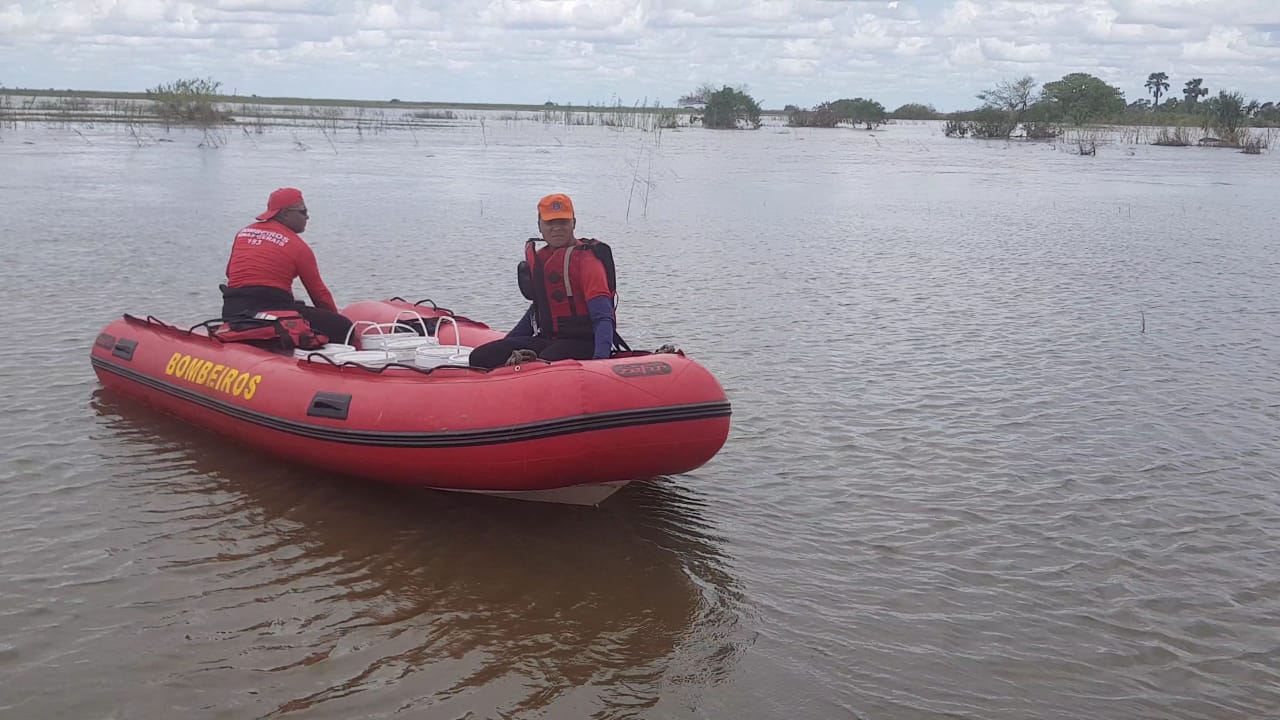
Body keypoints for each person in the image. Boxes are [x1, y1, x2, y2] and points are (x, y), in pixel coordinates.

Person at [469, 193, 619, 369]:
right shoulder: (541, 259)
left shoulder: (587, 261)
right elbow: (537, 311)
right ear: (539, 226)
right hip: (549, 339)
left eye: (563, 222)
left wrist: (600, 362)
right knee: (481, 356)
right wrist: (507, 345)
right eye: (550, 222)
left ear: (574, 223)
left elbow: (603, 317)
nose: (557, 228)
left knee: (544, 361)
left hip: (585, 342)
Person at [220, 187, 353, 344]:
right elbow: (319, 295)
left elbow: (230, 273)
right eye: (303, 212)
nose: (307, 217)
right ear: (284, 213)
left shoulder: (243, 233)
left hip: (232, 310)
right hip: (270, 311)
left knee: (297, 304)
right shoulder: (298, 247)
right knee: (343, 326)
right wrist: (336, 318)